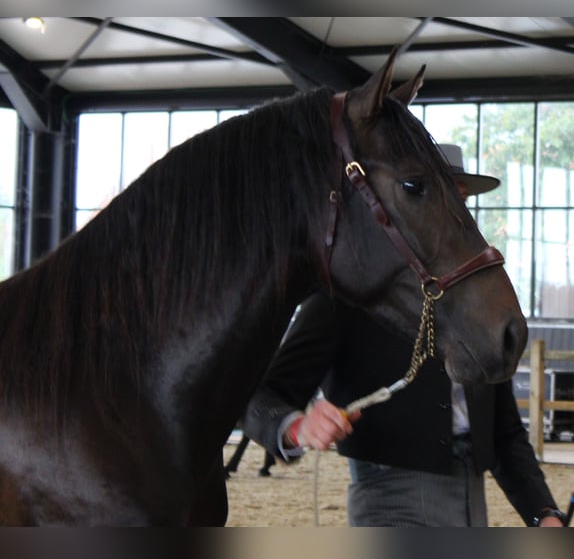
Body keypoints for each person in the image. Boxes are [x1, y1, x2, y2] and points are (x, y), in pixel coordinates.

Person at [241, 144, 565, 527]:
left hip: (473, 503)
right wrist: (295, 426)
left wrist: (543, 512)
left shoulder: (473, 306)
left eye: (459, 202)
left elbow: (505, 432)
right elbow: (259, 399)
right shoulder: (346, 297)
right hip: (389, 503)